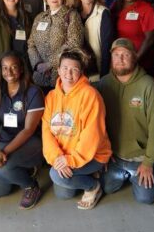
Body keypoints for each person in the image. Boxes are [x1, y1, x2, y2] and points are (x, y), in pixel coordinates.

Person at [98, 39, 154, 204]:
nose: (120, 59)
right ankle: (123, 174)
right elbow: (96, 124)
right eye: (116, 55)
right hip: (114, 157)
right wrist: (103, 154)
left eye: (125, 55)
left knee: (145, 198)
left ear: (135, 57)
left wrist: (149, 162)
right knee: (107, 188)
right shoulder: (103, 84)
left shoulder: (149, 85)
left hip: (140, 158)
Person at [42, 49, 112, 209]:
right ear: (58, 70)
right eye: (65, 68)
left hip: (93, 155)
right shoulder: (51, 97)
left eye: (74, 69)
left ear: (81, 72)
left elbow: (92, 135)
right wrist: (57, 158)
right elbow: (47, 132)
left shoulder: (90, 95)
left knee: (55, 175)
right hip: (63, 156)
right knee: (63, 193)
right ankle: (85, 174)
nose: (69, 73)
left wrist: (70, 160)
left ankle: (93, 186)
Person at [0, 52, 45, 209]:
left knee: (2, 169)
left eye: (13, 67)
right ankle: (20, 169)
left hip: (31, 142)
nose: (9, 72)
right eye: (5, 68)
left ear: (21, 69)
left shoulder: (33, 92)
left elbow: (28, 129)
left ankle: (31, 185)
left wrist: (2, 154)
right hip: (4, 141)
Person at [27, 0, 83, 88]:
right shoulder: (39, 18)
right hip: (39, 76)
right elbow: (31, 44)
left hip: (62, 77)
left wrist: (50, 64)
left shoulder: (71, 15)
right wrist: (38, 65)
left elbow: (74, 43)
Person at [115, 0, 154, 71]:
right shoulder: (116, 6)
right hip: (119, 60)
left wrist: (136, 57)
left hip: (140, 62)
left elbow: (150, 39)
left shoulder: (147, 9)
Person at [77, 0, 114, 81]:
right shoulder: (73, 13)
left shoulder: (103, 13)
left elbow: (107, 48)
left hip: (97, 70)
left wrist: (104, 76)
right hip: (77, 72)